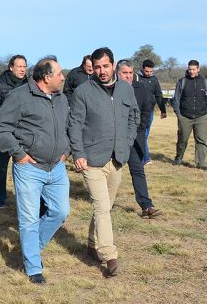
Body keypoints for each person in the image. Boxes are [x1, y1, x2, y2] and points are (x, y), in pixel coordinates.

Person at [0, 56, 70, 284]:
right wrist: (18, 153)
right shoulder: (19, 97)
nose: (63, 77)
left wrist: (66, 150)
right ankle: (33, 267)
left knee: (60, 212)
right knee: (28, 219)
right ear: (47, 77)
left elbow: (67, 125)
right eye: (59, 74)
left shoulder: (61, 98)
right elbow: (1, 126)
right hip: (29, 168)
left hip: (57, 167)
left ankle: (31, 249)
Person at [68, 47, 138, 277]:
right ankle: (110, 255)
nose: (101, 71)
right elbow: (75, 125)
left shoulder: (126, 90)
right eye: (97, 67)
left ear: (113, 65)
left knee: (105, 207)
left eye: (105, 66)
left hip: (117, 158)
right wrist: (78, 153)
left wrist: (127, 144)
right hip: (91, 159)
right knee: (101, 207)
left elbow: (133, 118)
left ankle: (91, 243)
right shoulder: (82, 91)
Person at [116, 60, 162, 218]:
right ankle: (104, 204)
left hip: (135, 139)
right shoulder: (110, 90)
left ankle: (146, 206)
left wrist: (138, 131)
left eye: (130, 73)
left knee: (138, 170)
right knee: (110, 173)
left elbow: (146, 112)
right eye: (124, 73)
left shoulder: (140, 89)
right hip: (114, 140)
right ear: (117, 73)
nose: (128, 76)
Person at [0, 55, 28, 209]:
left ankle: (24, 200)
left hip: (23, 134)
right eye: (19, 66)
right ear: (11, 67)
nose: (22, 69)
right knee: (1, 167)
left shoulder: (29, 84)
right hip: (4, 133)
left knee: (24, 167)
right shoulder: (0, 85)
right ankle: (0, 199)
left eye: (24, 66)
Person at [172, 59, 207, 170]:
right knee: (182, 139)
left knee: (201, 140)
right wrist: (178, 115)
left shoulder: (204, 82)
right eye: (189, 69)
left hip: (201, 116)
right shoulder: (182, 81)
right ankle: (178, 158)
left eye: (193, 69)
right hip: (185, 116)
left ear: (198, 69)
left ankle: (201, 163)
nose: (191, 71)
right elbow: (176, 99)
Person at [135, 59, 167, 164]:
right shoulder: (136, 78)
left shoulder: (154, 79)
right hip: (136, 111)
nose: (149, 73)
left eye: (151, 71)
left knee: (144, 135)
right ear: (142, 68)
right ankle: (144, 157)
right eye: (147, 71)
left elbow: (158, 95)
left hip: (149, 112)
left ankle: (143, 156)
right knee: (139, 134)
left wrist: (163, 110)